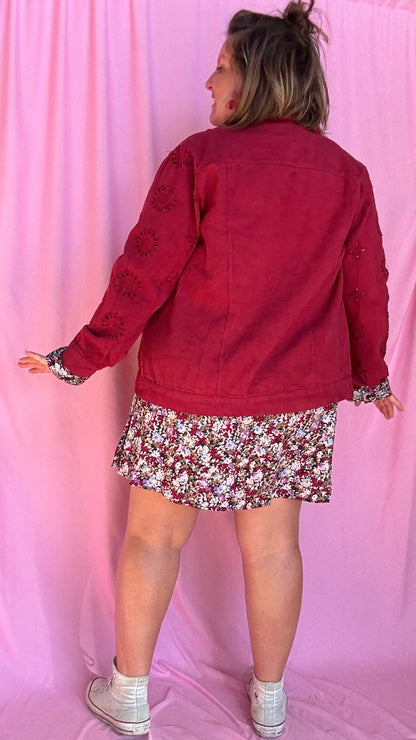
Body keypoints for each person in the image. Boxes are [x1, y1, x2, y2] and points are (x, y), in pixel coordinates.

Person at [18, 1, 403, 737]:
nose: (208, 81)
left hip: (189, 392)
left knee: (153, 539)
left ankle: (130, 695)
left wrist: (82, 356)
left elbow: (143, 274)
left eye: (222, 67)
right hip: (291, 400)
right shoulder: (346, 175)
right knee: (274, 550)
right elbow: (366, 285)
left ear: (255, 79)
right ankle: (271, 703)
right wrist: (371, 373)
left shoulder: (200, 159)